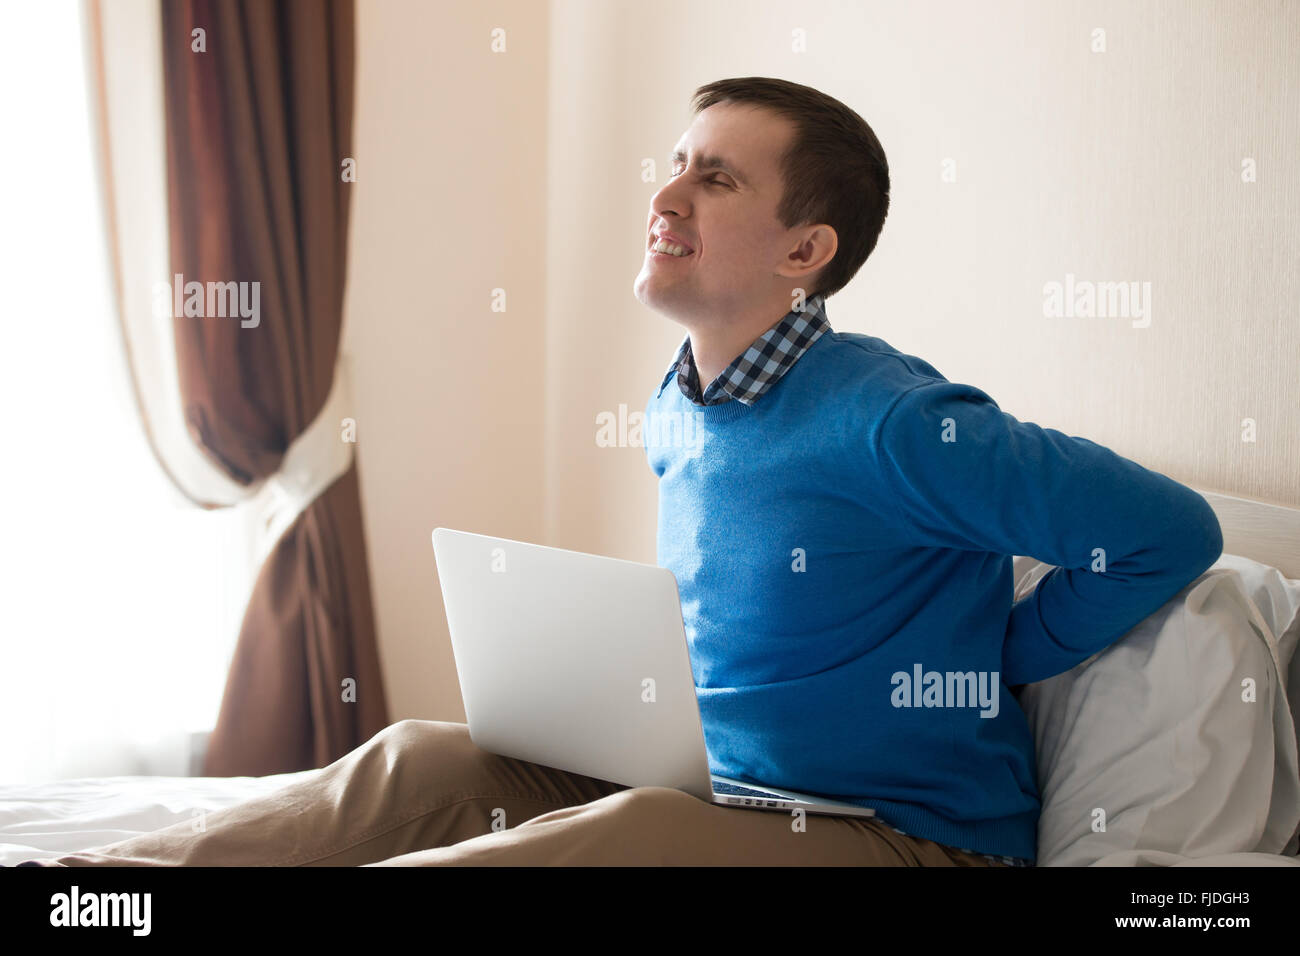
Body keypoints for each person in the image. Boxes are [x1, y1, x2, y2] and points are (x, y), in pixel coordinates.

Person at [19, 77, 1221, 867]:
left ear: (805, 250)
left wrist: (1003, 655)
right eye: (678, 162)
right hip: (717, 784)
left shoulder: (900, 420)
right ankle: (95, 887)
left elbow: (1170, 528)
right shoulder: (679, 404)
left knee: (625, 835)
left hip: (903, 837)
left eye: (716, 178)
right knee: (422, 756)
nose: (665, 195)